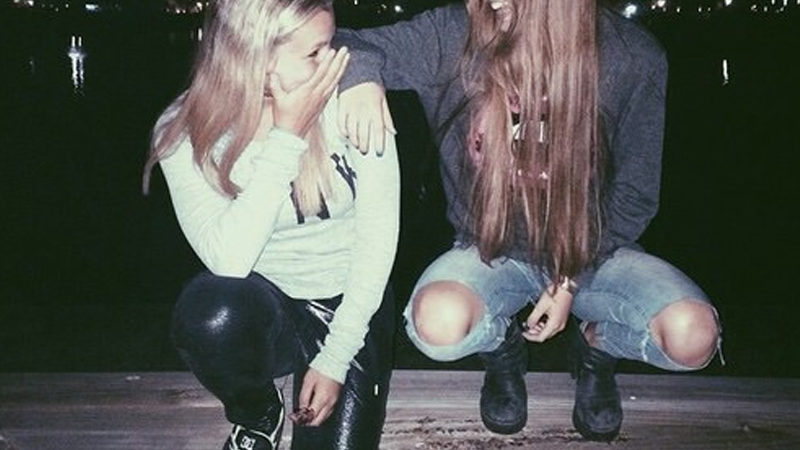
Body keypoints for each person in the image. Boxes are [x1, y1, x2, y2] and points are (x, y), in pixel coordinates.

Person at [335, 0, 722, 441]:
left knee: (692, 337)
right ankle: (502, 347)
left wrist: (570, 279)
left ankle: (597, 346)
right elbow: (340, 42)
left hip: (596, 250)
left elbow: (635, 196)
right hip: (490, 249)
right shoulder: (453, 33)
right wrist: (360, 77)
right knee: (436, 323)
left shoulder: (631, 55)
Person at [142, 0, 400, 448]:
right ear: (257, 59)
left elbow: (378, 238)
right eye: (316, 52)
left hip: (350, 301)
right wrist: (287, 137)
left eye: (331, 43)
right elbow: (229, 260)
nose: (335, 61)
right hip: (267, 308)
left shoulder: (354, 100)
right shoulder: (182, 131)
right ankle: (258, 412)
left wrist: (336, 356)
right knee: (208, 314)